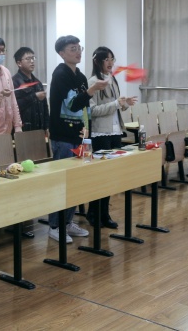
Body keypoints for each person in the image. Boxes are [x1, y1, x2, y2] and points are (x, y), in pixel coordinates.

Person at [47, 35, 108, 243]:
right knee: (62, 181)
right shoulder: (60, 74)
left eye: (79, 48)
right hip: (63, 135)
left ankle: (67, 222)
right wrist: (92, 90)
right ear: (62, 53)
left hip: (79, 135)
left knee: (74, 181)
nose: (78, 52)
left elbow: (84, 108)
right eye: (72, 48)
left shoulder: (80, 76)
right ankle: (55, 225)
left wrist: (87, 129)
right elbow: (72, 104)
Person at [86, 47, 137, 229]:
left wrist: (124, 104)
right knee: (100, 176)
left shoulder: (112, 79)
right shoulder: (93, 81)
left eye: (112, 59)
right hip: (101, 133)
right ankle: (93, 213)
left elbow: (115, 105)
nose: (110, 63)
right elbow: (93, 110)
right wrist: (116, 104)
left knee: (110, 176)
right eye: (106, 59)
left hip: (115, 132)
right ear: (97, 61)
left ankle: (105, 214)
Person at [12, 47, 49, 134]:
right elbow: (14, 106)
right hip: (24, 129)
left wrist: (47, 126)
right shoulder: (14, 82)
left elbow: (45, 107)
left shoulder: (38, 82)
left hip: (39, 129)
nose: (32, 61)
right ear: (19, 63)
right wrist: (34, 96)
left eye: (33, 58)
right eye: (28, 59)